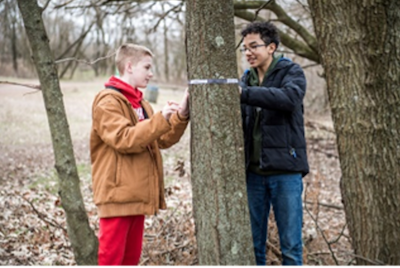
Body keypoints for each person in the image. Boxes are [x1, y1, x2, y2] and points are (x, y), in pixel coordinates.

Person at [90, 43, 190, 267]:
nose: (151, 73)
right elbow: (123, 138)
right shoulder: (107, 101)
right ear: (129, 66)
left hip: (137, 196)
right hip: (117, 196)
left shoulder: (140, 102)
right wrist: (159, 119)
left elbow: (159, 139)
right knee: (111, 261)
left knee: (129, 261)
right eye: (147, 67)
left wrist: (180, 115)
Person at [239, 21, 309, 267]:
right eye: (244, 48)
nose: (248, 52)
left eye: (253, 46)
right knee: (253, 245)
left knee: (290, 247)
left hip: (286, 172)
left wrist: (244, 94)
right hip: (253, 175)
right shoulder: (245, 79)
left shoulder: (292, 72)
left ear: (271, 47)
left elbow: (289, 98)